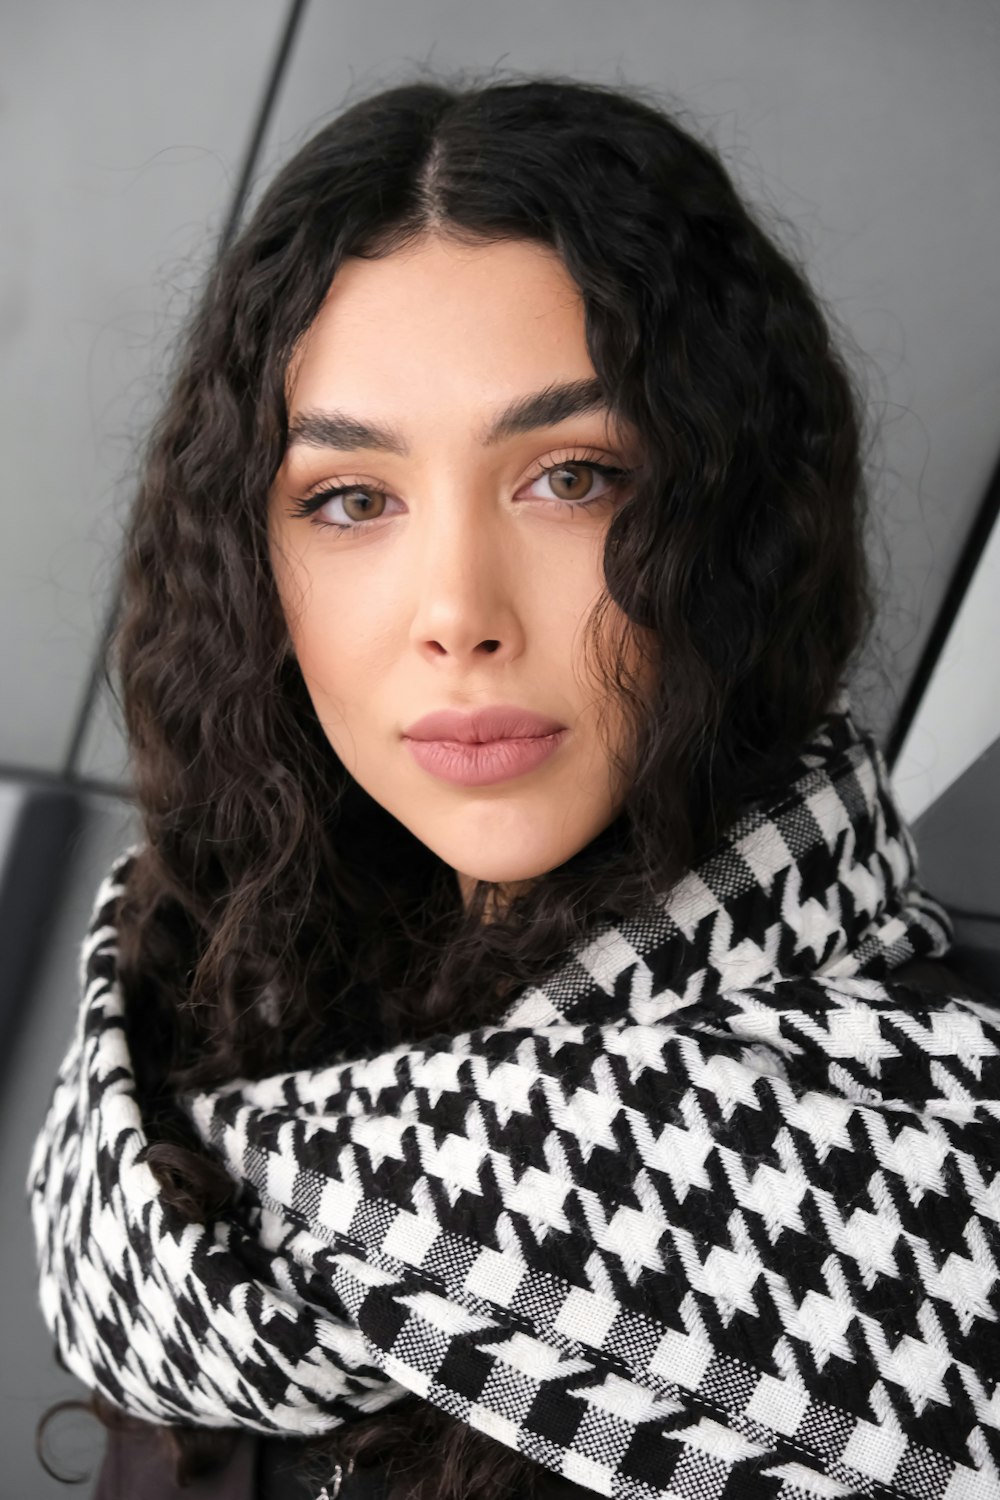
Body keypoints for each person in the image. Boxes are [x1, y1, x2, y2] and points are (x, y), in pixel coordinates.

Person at [27, 71, 1000, 1500]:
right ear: (254, 565)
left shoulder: (936, 1198)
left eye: (572, 478)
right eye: (351, 499)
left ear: (729, 517)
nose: (458, 612)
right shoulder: (193, 1036)